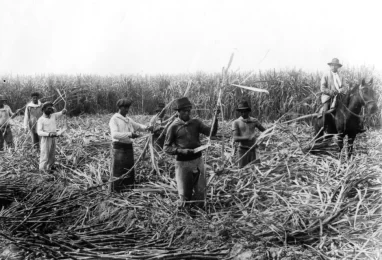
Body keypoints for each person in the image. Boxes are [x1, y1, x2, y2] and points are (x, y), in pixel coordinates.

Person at [164, 97, 219, 211]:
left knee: (200, 190)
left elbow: (211, 132)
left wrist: (215, 117)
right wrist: (181, 151)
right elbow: (166, 148)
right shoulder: (173, 126)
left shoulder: (196, 122)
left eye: (189, 110)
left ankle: (199, 213)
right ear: (178, 112)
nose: (187, 113)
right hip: (183, 163)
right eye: (184, 111)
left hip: (198, 161)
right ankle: (185, 214)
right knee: (184, 193)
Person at [109, 99, 153, 193]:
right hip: (119, 148)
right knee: (119, 170)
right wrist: (130, 134)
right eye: (125, 108)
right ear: (120, 108)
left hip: (128, 147)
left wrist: (147, 128)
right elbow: (115, 135)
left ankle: (128, 188)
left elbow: (138, 126)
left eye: (128, 108)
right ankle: (117, 190)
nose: (127, 110)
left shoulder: (128, 119)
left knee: (129, 168)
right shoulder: (114, 119)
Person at [232, 100, 266, 168]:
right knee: (242, 171)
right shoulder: (236, 122)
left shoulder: (254, 121)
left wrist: (262, 138)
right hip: (242, 150)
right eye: (241, 112)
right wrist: (248, 137)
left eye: (245, 111)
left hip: (253, 150)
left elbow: (265, 131)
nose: (243, 114)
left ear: (248, 111)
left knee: (255, 170)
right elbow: (235, 138)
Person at [320, 58, 350, 133]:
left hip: (340, 96)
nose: (334, 67)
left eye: (336, 66)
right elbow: (322, 88)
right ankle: (325, 128)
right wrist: (331, 92)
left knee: (350, 107)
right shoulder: (326, 74)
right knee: (326, 111)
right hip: (328, 97)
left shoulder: (341, 76)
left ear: (338, 67)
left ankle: (353, 127)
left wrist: (340, 90)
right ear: (330, 66)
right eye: (333, 65)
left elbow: (345, 86)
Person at [37, 102, 67, 172]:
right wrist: (48, 134)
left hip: (53, 138)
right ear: (43, 109)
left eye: (51, 108)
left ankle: (50, 167)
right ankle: (42, 170)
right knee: (45, 154)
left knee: (52, 153)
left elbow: (60, 113)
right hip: (46, 139)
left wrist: (63, 111)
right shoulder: (41, 120)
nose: (50, 110)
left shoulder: (53, 115)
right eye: (48, 108)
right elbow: (39, 132)